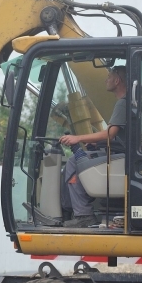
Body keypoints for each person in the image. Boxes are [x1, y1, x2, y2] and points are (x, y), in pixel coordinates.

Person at [59, 66, 127, 227]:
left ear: (117, 81)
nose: (106, 79)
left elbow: (109, 134)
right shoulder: (128, 101)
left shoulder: (123, 104)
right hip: (124, 152)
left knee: (74, 162)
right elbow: (121, 136)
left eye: (109, 76)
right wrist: (97, 142)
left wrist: (77, 138)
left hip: (124, 157)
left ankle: (83, 215)